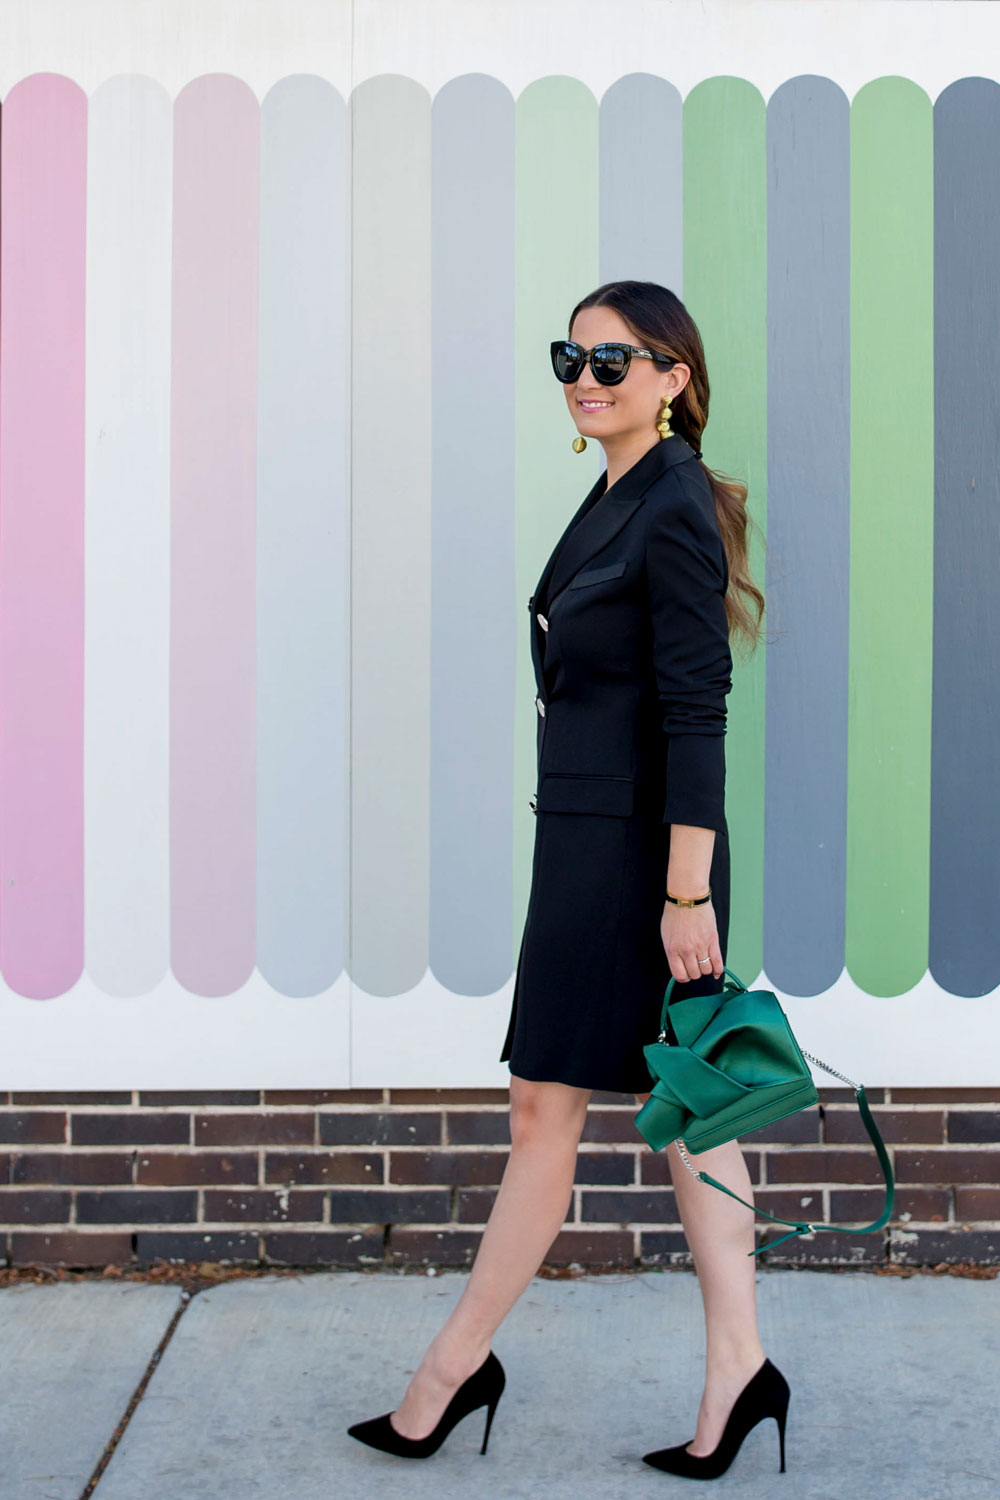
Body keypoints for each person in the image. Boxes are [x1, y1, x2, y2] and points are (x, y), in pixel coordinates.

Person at [348, 280, 783, 1478]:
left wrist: (685, 895)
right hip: (591, 845)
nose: (586, 379)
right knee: (691, 1109)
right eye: (572, 358)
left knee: (553, 1110)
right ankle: (740, 1367)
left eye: (614, 361)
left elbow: (700, 714)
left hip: (645, 857)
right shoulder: (619, 493)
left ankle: (448, 1372)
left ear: (673, 379)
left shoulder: (673, 505)